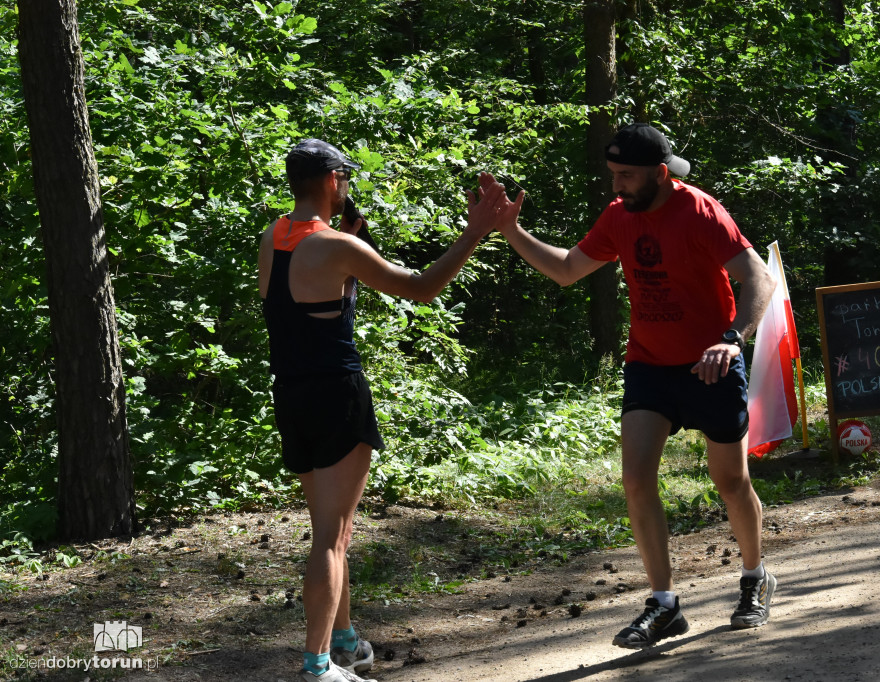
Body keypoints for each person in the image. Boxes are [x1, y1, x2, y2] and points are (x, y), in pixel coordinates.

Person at [487, 122, 778, 647]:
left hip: (711, 363)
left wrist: (732, 338)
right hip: (650, 365)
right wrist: (510, 229)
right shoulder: (618, 217)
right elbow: (570, 269)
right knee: (637, 480)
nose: (616, 186)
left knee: (730, 482)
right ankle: (665, 604)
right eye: (613, 174)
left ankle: (756, 578)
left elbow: (758, 278)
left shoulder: (701, 211)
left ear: (661, 175)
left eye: (626, 175)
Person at [258, 138, 522, 682]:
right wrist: (474, 233)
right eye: (345, 180)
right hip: (336, 393)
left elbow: (302, 307)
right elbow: (421, 288)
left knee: (333, 528)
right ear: (333, 180)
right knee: (330, 537)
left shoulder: (274, 238)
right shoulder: (336, 246)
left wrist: (348, 254)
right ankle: (316, 665)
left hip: (292, 394)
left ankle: (346, 640)